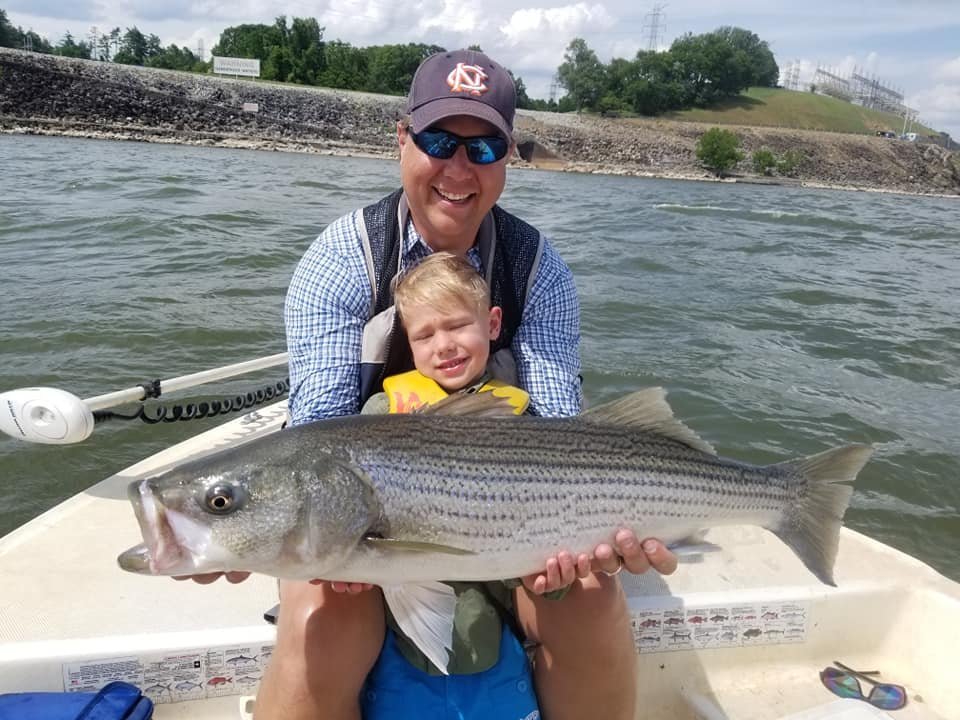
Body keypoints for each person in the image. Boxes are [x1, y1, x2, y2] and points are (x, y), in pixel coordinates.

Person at [191, 48, 678, 720]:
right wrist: (250, 527)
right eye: (439, 141)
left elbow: (564, 430)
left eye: (482, 150)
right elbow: (319, 437)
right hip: (371, 525)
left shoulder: (540, 270)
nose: (458, 169)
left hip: (517, 522)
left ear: (507, 161)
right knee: (321, 610)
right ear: (402, 139)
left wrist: (598, 533)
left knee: (591, 601)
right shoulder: (343, 259)